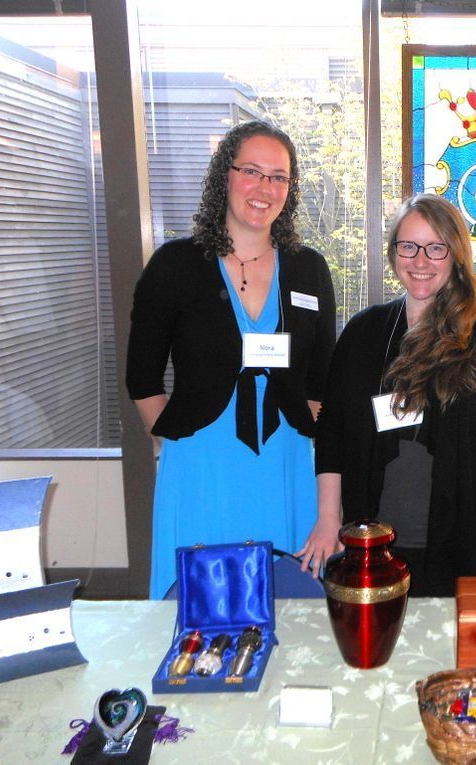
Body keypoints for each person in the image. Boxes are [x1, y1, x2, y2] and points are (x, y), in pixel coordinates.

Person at [297, 193, 476, 595]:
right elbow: (332, 429)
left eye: (435, 248)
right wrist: (326, 517)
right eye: (408, 246)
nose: (420, 261)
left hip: (462, 544)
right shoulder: (364, 333)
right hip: (372, 543)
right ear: (394, 254)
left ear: (455, 255)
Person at [126, 121, 336, 598]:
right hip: (202, 462)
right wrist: (178, 439)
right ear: (225, 175)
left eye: (278, 176)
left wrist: (305, 428)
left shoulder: (308, 269)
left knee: (288, 601)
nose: (264, 188)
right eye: (252, 171)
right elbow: (141, 374)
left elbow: (322, 374)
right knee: (201, 608)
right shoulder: (176, 265)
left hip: (283, 461)